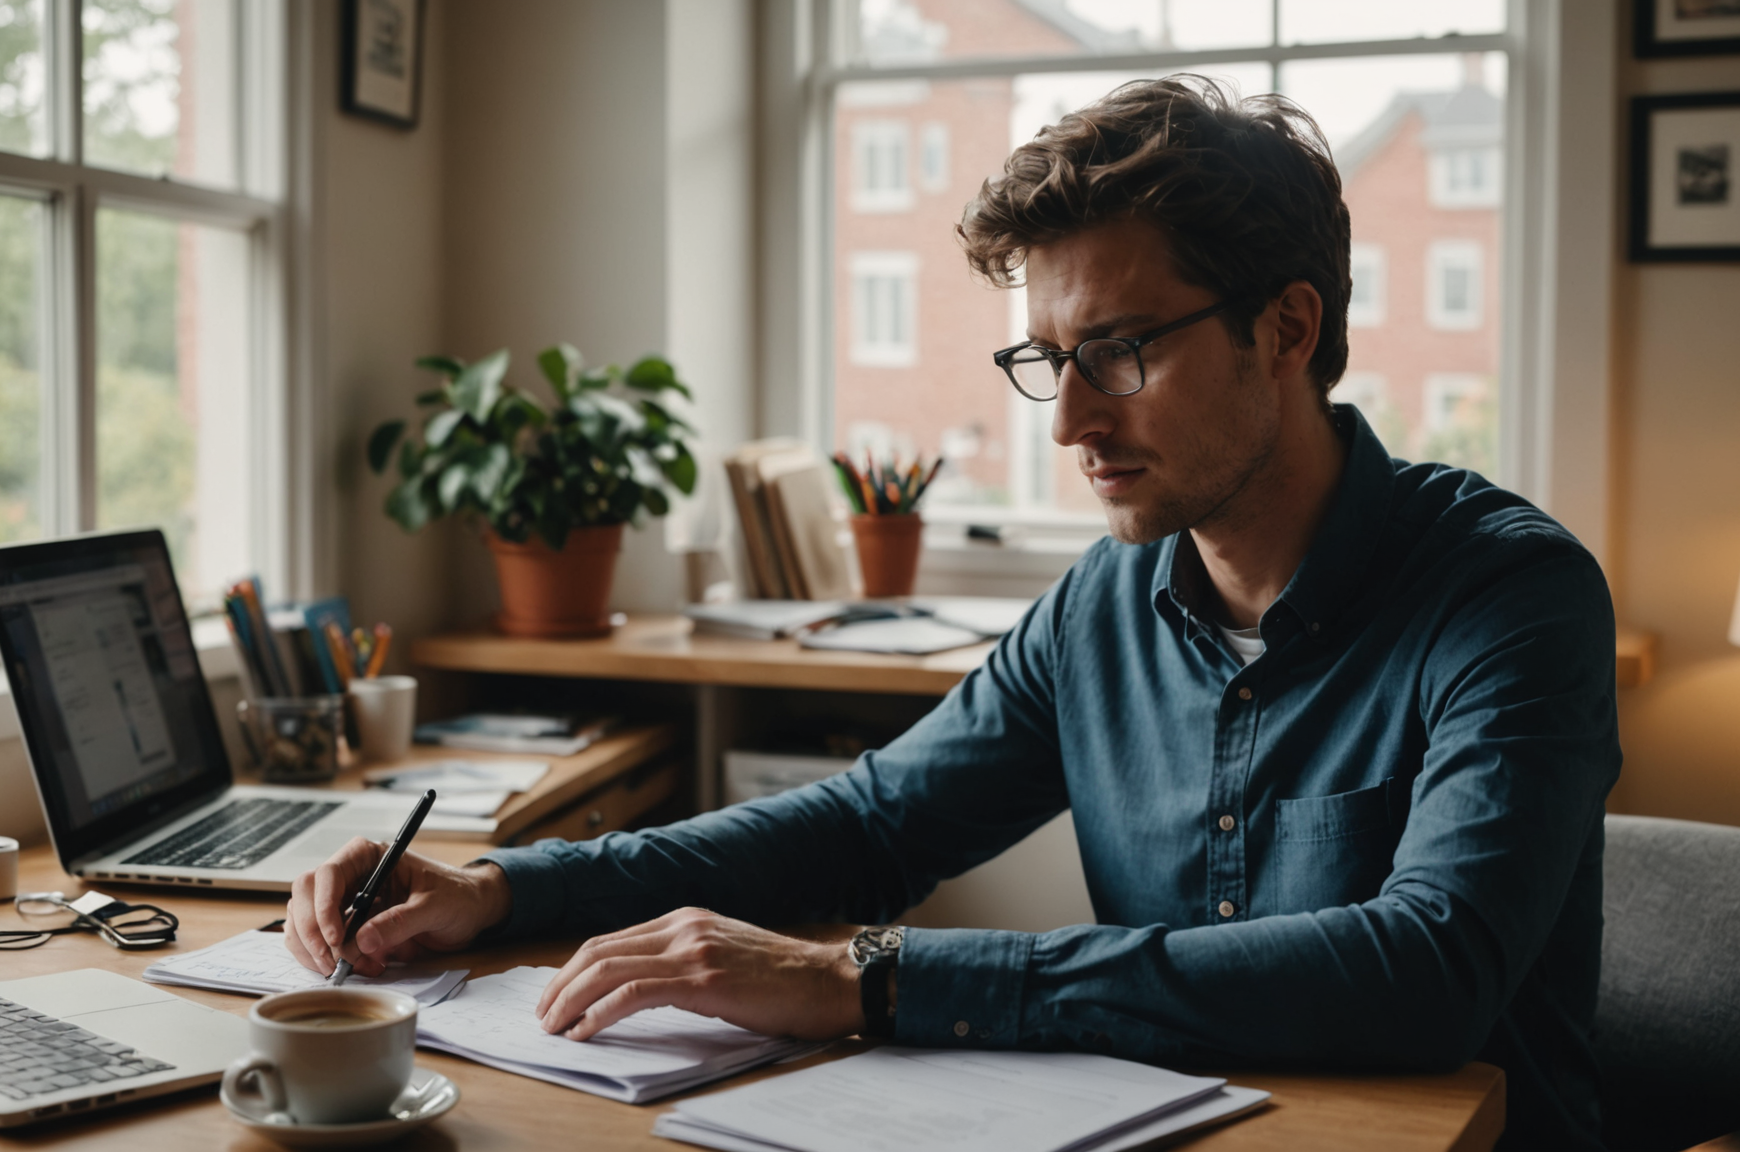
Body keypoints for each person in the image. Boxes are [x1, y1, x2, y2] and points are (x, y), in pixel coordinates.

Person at [286, 76, 1618, 1151]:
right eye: (1052, 362)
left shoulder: (1508, 596)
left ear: (1285, 324)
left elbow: (1426, 970)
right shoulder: (1106, 603)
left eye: (1123, 350)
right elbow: (870, 824)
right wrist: (499, 883)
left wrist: (864, 975)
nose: (1077, 421)